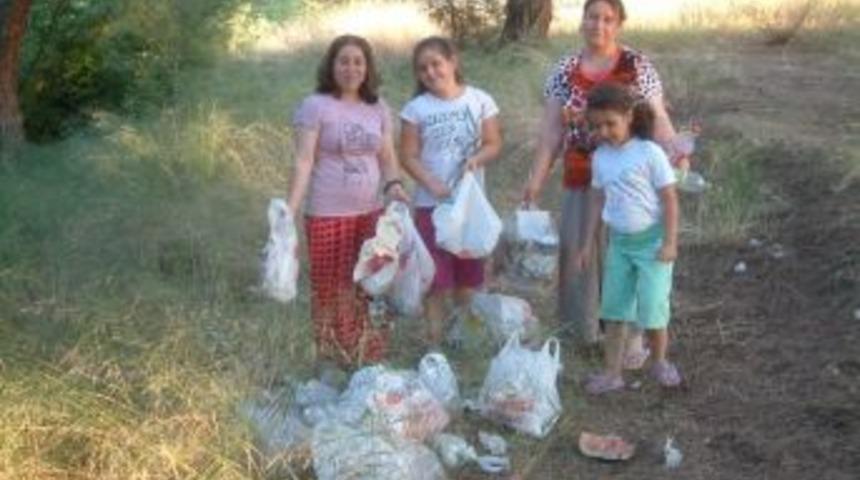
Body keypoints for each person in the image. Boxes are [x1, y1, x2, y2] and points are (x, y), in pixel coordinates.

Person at [522, 0, 687, 366]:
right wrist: (536, 179)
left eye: (608, 18)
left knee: (629, 257)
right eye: (592, 16)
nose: (599, 24)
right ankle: (581, 332)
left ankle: (631, 338)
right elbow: (550, 132)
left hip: (633, 181)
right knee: (579, 252)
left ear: (619, 24)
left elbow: (657, 117)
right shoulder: (564, 69)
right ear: (582, 21)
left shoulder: (636, 65)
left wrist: (676, 151)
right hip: (584, 174)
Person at [287, 34, 408, 368]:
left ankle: (367, 354)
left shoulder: (378, 107)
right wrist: (290, 211)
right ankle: (331, 356)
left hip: (371, 214)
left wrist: (394, 184)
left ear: (367, 68)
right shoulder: (315, 106)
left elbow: (387, 157)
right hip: (327, 214)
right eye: (344, 61)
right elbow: (303, 162)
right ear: (332, 66)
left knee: (370, 283)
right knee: (331, 286)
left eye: (358, 61)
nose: (351, 68)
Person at [578, 82, 681, 393]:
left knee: (652, 308)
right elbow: (597, 200)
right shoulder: (600, 157)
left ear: (630, 116)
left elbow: (670, 200)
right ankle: (612, 373)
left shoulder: (649, 153)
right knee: (614, 310)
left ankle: (660, 361)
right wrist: (586, 243)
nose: (604, 131)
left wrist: (670, 242)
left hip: (652, 245)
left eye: (611, 123)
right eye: (597, 126)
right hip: (619, 245)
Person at [399, 36, 503, 346]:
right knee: (434, 276)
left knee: (468, 273)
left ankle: (464, 335)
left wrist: (476, 160)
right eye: (422, 69)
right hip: (432, 206)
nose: (430, 72)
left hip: (469, 206)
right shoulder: (416, 109)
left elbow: (494, 143)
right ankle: (434, 340)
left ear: (452, 62)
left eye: (436, 64)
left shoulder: (479, 100)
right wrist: (430, 182)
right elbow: (407, 155)